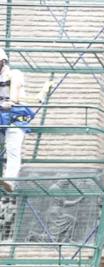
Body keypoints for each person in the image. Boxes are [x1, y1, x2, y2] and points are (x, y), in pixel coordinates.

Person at [0, 48, 51, 193]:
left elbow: (14, 97)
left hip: (15, 119)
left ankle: (9, 180)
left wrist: (8, 102)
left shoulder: (14, 74)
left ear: (2, 62)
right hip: (1, 118)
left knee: (13, 149)